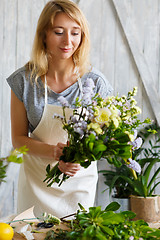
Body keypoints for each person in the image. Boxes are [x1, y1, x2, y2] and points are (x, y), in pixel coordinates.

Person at [7, 0, 113, 218]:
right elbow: (18, 139)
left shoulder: (96, 83)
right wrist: (55, 152)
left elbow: (106, 138)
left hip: (78, 187)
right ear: (44, 35)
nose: (68, 41)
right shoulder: (24, 81)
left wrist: (78, 156)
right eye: (58, 32)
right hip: (36, 184)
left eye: (75, 33)